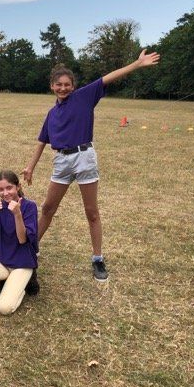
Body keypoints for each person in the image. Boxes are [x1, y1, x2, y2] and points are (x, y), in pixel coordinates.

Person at [22, 50, 160, 281]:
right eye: (59, 84)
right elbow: (42, 141)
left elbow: (109, 77)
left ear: (73, 86)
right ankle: (31, 249)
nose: (63, 88)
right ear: (52, 86)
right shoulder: (52, 113)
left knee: (91, 212)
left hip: (84, 157)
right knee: (47, 209)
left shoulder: (83, 97)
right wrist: (30, 167)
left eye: (67, 84)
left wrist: (136, 64)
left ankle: (97, 259)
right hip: (61, 161)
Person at [0, 170, 39, 315]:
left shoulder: (29, 206)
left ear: (18, 187)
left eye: (9, 188)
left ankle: (25, 283)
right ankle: (8, 280)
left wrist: (17, 214)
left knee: (4, 309)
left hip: (22, 261)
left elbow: (22, 239)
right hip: (2, 258)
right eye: (1, 189)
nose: (5, 193)